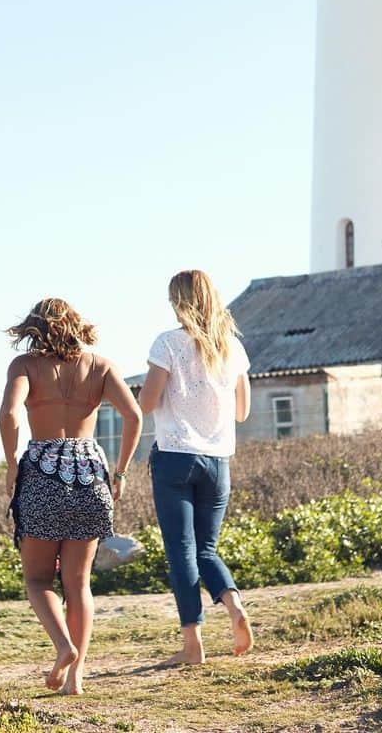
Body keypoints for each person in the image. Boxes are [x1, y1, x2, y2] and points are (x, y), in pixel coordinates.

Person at [0, 298, 142, 696]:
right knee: (78, 584)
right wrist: (122, 471)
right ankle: (76, 679)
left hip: (43, 473)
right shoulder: (100, 366)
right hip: (90, 474)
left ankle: (63, 648)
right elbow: (134, 416)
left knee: (38, 579)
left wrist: (12, 464)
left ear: (35, 328)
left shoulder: (24, 366)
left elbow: (10, 414)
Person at [138, 270, 254, 666]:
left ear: (179, 302)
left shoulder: (167, 343)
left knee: (182, 551)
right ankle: (235, 607)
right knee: (207, 549)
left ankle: (193, 645)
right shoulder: (233, 349)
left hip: (174, 456)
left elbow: (147, 402)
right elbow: (242, 411)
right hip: (219, 460)